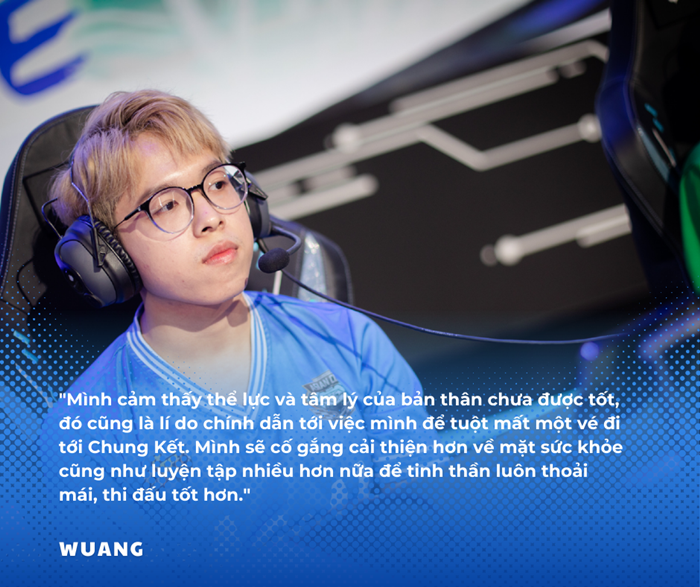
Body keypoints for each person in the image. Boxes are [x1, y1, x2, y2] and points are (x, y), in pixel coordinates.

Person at [41, 90, 440, 552]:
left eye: (217, 184)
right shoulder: (86, 431)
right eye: (167, 204)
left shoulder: (347, 338)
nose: (211, 217)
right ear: (108, 257)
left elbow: (427, 521)